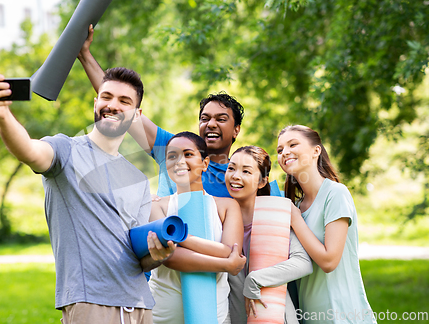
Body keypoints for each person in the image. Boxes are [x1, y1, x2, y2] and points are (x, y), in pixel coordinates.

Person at [0, 68, 176, 324]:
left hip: (140, 306)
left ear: (136, 115)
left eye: (124, 101)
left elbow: (137, 256)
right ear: (96, 102)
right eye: (106, 97)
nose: (112, 105)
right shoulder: (65, 151)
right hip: (90, 304)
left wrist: (158, 255)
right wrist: (3, 116)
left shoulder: (139, 180)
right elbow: (28, 150)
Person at [77, 25, 279, 198]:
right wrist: (85, 55)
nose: (211, 124)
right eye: (205, 118)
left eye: (221, 119)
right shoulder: (174, 150)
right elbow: (120, 107)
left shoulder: (241, 177)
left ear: (236, 130)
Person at [276, 125, 376, 324]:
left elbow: (329, 261)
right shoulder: (295, 207)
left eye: (293, 144)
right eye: (279, 150)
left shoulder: (335, 194)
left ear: (316, 150)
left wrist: (295, 220)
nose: (285, 152)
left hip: (343, 315)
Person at [147, 131, 246, 324]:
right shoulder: (157, 206)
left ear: (205, 163)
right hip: (164, 315)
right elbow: (170, 258)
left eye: (188, 154)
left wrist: (180, 236)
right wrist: (225, 265)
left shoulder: (226, 206)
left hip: (213, 313)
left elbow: (230, 251)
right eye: (172, 156)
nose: (179, 161)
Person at [224, 146, 313, 324]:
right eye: (231, 168)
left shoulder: (275, 215)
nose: (235, 176)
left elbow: (304, 263)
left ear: (262, 182)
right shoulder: (219, 215)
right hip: (235, 316)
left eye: (246, 171)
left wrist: (255, 280)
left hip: (275, 314)